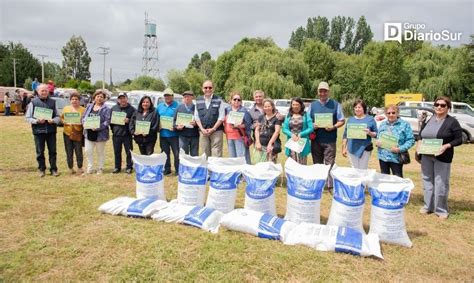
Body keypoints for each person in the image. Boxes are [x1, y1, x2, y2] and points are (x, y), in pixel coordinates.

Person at [418, 96, 463, 219]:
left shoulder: (452, 122)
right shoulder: (430, 119)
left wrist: (447, 146)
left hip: (442, 157)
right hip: (426, 155)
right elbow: (421, 135)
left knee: (440, 183)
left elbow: (459, 139)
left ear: (448, 108)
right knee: (427, 180)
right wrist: (418, 148)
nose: (439, 107)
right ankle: (428, 206)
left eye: (443, 105)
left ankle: (441, 210)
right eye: (437, 104)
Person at [309, 82, 345, 188]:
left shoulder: (336, 104)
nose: (322, 93)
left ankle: (329, 185)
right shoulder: (312, 105)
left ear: (328, 92)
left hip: (330, 139)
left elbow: (342, 120)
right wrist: (312, 125)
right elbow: (308, 120)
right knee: (317, 163)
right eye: (321, 91)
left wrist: (334, 126)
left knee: (329, 162)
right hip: (316, 139)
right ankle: (319, 184)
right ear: (318, 92)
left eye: (325, 91)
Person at [25, 84, 60, 177]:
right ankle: (41, 169)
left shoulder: (53, 102)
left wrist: (53, 120)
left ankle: (53, 169)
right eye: (42, 91)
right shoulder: (33, 102)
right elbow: (28, 117)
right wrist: (36, 121)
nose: (44, 92)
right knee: (40, 152)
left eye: (45, 90)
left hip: (51, 131)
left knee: (52, 151)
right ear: (38, 92)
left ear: (48, 91)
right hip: (38, 131)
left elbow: (58, 116)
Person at [376, 104, 415, 178]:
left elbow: (411, 140)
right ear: (385, 114)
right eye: (388, 113)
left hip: (396, 158)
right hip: (383, 157)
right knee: (384, 180)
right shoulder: (382, 124)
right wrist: (378, 142)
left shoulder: (404, 125)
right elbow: (378, 136)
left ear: (397, 113)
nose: (391, 115)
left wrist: (399, 149)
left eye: (393, 113)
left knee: (398, 180)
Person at [341, 99, 378, 169]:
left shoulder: (370, 119)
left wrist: (369, 133)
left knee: (363, 170)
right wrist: (343, 148)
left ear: (363, 108)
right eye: (356, 107)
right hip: (351, 148)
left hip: (364, 149)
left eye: (359, 107)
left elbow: (377, 135)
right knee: (354, 169)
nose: (357, 109)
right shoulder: (350, 120)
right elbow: (345, 135)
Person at [82, 89, 111, 175]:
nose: (99, 98)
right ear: (94, 97)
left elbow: (107, 121)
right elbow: (83, 117)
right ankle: (90, 168)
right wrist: (84, 123)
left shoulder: (106, 109)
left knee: (100, 152)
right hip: (89, 133)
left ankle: (100, 168)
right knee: (88, 151)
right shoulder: (89, 106)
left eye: (101, 97)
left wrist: (98, 127)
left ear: (104, 99)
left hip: (100, 134)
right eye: (98, 96)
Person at [194, 80, 226, 157]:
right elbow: (196, 116)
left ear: (213, 89)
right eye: (206, 87)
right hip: (203, 131)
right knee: (204, 154)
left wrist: (213, 129)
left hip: (216, 131)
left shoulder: (219, 100)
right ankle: (206, 169)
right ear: (202, 89)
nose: (208, 89)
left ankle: (215, 169)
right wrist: (202, 129)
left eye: (210, 87)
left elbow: (221, 117)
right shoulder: (198, 100)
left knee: (216, 154)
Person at [223, 91, 252, 164]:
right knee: (232, 158)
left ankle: (242, 174)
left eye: (239, 100)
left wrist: (241, 126)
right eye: (234, 99)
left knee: (240, 158)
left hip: (239, 137)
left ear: (241, 101)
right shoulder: (227, 110)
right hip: (229, 137)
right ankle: (236, 174)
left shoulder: (244, 111)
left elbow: (248, 124)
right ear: (231, 100)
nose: (236, 101)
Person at [282, 97, 313, 165]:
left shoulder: (305, 115)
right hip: (291, 143)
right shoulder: (288, 115)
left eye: (297, 104)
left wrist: (300, 134)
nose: (295, 106)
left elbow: (311, 128)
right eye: (293, 104)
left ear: (301, 105)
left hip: (302, 143)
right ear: (291, 105)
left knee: (302, 164)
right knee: (292, 165)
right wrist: (291, 135)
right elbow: (284, 129)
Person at [60, 91, 85, 175]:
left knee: (78, 151)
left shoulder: (83, 109)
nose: (74, 101)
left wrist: (81, 123)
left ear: (79, 100)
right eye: (72, 99)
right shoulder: (66, 108)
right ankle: (70, 168)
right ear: (70, 100)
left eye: (76, 99)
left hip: (78, 133)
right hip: (67, 133)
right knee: (69, 151)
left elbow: (85, 121)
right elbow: (62, 119)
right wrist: (65, 122)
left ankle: (80, 167)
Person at [110, 93, 136, 174]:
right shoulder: (113, 108)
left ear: (127, 99)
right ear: (118, 100)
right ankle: (117, 167)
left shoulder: (132, 109)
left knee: (129, 152)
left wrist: (129, 121)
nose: (122, 100)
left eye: (124, 98)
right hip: (116, 134)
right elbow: (110, 122)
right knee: (117, 152)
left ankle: (129, 167)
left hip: (127, 135)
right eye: (120, 98)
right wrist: (113, 130)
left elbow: (135, 121)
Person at [157, 88, 180, 175]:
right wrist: (158, 126)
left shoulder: (177, 106)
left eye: (169, 95)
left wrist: (175, 127)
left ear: (172, 96)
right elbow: (156, 119)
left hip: (175, 135)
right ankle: (167, 169)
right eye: (166, 95)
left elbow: (180, 120)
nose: (167, 97)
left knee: (176, 154)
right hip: (163, 135)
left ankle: (178, 170)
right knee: (165, 153)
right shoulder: (159, 106)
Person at [254, 99, 282, 163]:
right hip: (261, 145)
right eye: (265, 106)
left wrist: (270, 144)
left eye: (269, 106)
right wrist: (257, 142)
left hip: (272, 146)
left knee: (271, 165)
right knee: (260, 164)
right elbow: (257, 130)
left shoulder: (277, 118)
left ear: (272, 107)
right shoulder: (261, 117)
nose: (267, 108)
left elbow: (277, 131)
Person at [174, 90, 199, 156]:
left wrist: (196, 124)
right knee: (183, 155)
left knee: (194, 155)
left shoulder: (197, 108)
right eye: (185, 97)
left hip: (194, 136)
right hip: (183, 136)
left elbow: (201, 121)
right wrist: (177, 126)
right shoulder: (179, 108)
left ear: (192, 97)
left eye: (188, 96)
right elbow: (174, 121)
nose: (186, 98)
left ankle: (193, 166)